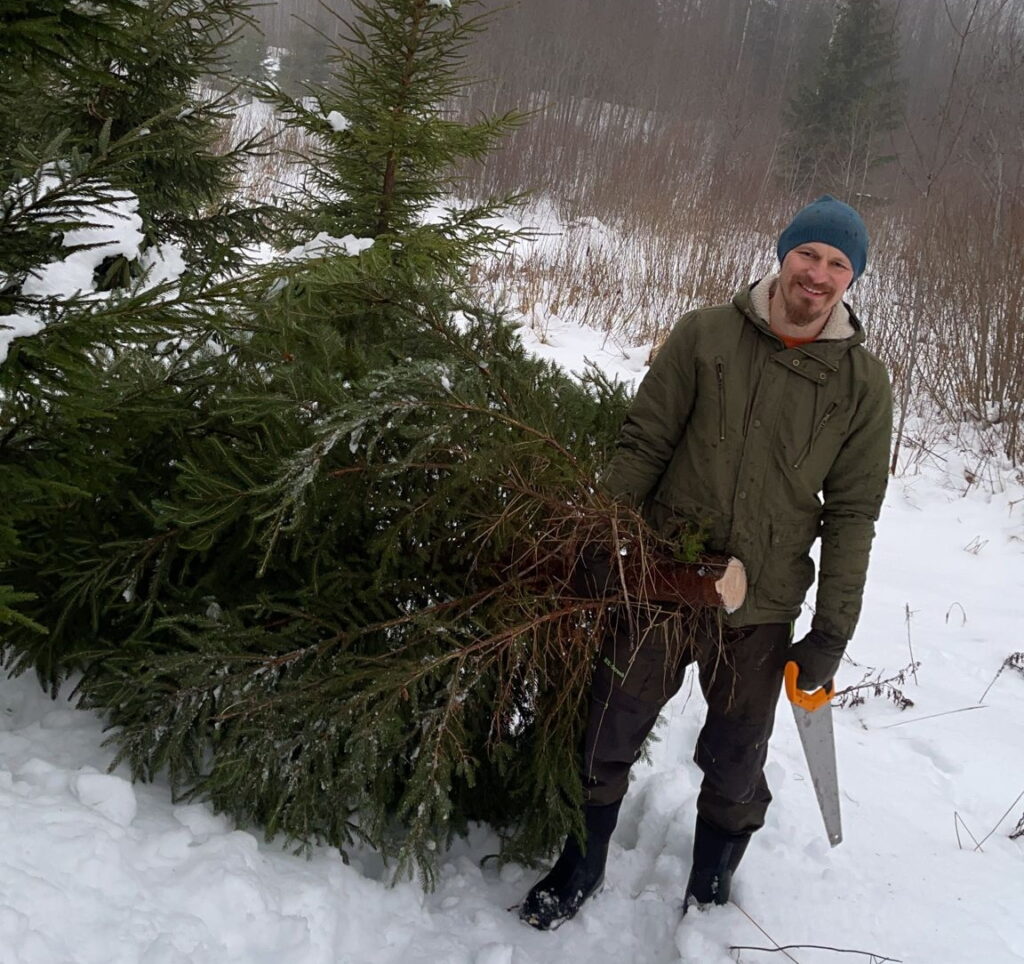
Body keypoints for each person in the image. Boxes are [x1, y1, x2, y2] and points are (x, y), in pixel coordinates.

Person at [519, 195, 893, 930]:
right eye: (808, 254)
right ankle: (581, 864)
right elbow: (644, 445)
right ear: (783, 254)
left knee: (736, 760)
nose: (817, 274)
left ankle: (712, 884)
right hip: (662, 579)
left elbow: (853, 514)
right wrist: (601, 542)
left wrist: (833, 631)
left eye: (837, 264)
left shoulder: (862, 386)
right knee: (606, 728)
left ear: (852, 279)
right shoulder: (704, 336)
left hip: (761, 607)